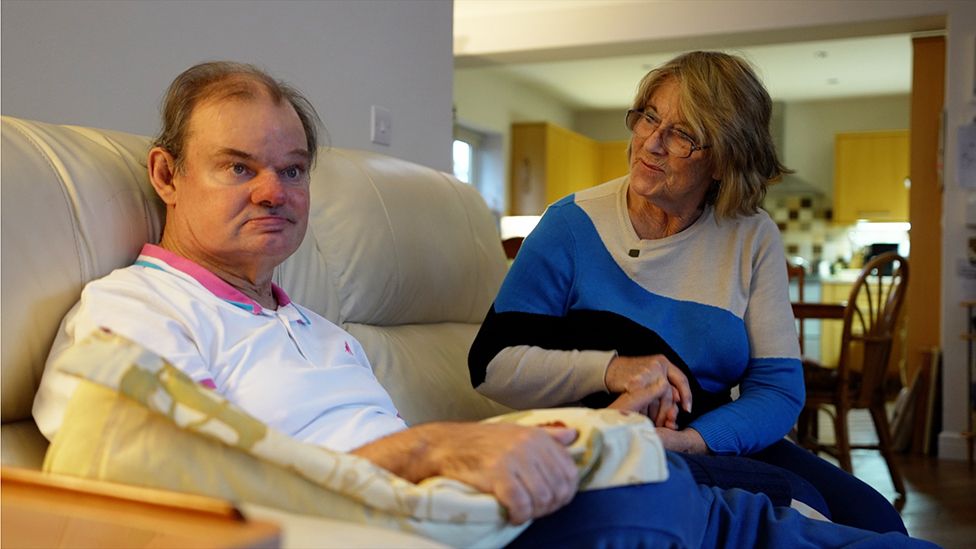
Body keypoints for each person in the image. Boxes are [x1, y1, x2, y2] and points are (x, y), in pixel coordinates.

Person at [32, 61, 932, 548]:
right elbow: (150, 470)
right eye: (239, 165)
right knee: (705, 513)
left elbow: (774, 387)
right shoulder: (133, 312)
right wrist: (433, 445)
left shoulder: (312, 324)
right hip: (443, 518)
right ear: (166, 174)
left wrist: (601, 426)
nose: (275, 191)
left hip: (517, 491)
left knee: (820, 515)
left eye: (294, 169)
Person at [468, 50, 905, 535]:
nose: (651, 144)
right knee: (804, 507)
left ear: (723, 160)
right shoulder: (570, 225)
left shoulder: (751, 234)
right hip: (610, 436)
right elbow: (491, 365)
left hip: (711, 438)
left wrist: (696, 440)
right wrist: (612, 368)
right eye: (649, 118)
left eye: (682, 134)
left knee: (876, 518)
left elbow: (778, 390)